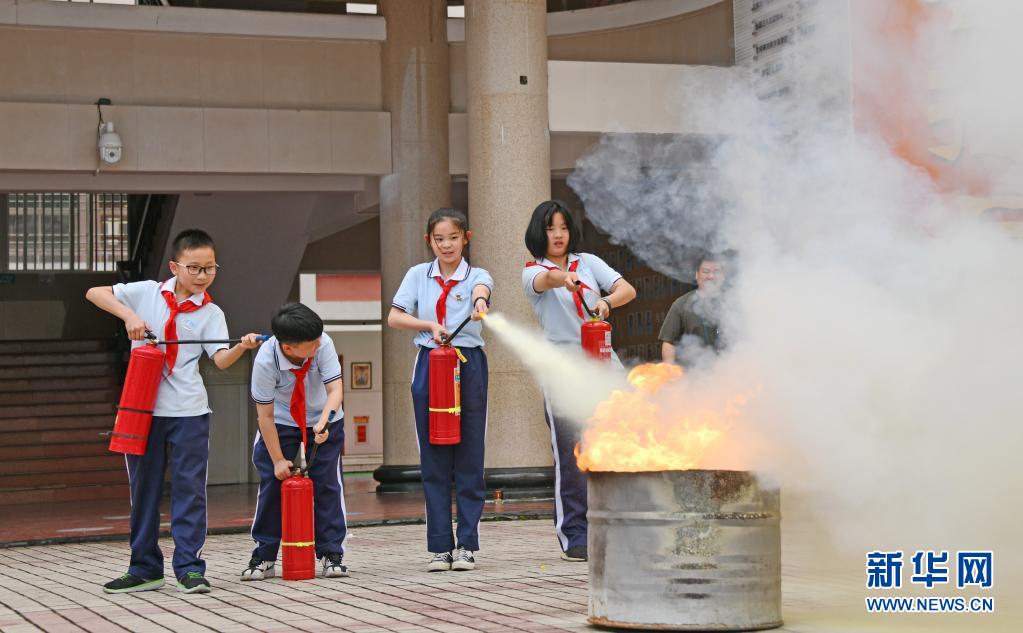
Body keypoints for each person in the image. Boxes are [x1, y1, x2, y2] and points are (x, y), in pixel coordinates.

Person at [86, 229, 262, 594]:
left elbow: (221, 361)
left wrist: (242, 347)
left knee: (190, 491)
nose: (202, 276)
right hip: (142, 412)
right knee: (144, 491)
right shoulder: (146, 292)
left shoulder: (211, 312)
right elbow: (94, 293)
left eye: (210, 269)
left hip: (189, 412)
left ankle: (190, 567)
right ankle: (144, 568)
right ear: (175, 266)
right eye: (194, 268)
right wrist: (128, 317)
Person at [521, 199, 636, 562]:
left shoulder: (588, 263)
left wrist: (606, 302)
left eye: (564, 227)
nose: (558, 235)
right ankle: (574, 533)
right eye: (551, 228)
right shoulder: (532, 270)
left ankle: (615, 525)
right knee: (572, 457)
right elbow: (547, 280)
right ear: (540, 232)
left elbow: (627, 290)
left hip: (604, 368)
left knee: (614, 447)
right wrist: (563, 278)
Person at [387, 207, 492, 572]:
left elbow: (482, 290)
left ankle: (466, 545)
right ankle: (439, 547)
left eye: (453, 237)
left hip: (469, 365)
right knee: (433, 460)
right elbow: (395, 316)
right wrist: (429, 324)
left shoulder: (476, 274)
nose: (446, 245)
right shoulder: (418, 275)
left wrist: (479, 302)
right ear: (428, 240)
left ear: (467, 237)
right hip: (430, 363)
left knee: (469, 457)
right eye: (439, 238)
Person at [244, 302, 349, 580]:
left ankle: (331, 553)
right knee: (272, 484)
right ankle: (264, 554)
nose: (318, 345)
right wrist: (278, 460)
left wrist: (325, 420)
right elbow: (264, 417)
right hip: (281, 421)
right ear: (288, 348)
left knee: (327, 483)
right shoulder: (266, 361)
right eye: (310, 344)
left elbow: (335, 389)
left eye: (318, 339)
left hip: (323, 416)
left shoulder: (322, 342)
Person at [659, 252, 726, 366]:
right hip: (693, 376)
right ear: (696, 274)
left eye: (716, 271)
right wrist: (669, 370)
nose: (711, 276)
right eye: (706, 271)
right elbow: (668, 342)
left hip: (732, 373)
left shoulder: (736, 303)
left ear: (723, 276)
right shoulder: (681, 304)